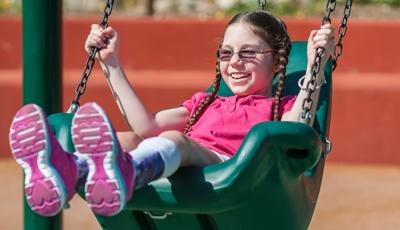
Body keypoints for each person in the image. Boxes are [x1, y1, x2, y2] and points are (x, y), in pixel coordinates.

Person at [8, 10, 334, 217]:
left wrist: (316, 70)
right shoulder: (205, 103)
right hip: (180, 157)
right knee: (127, 137)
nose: (234, 62)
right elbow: (147, 124)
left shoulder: (280, 107)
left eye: (248, 53)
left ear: (277, 63)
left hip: (238, 172)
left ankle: (127, 172)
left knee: (176, 140)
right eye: (226, 53)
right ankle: (67, 171)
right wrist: (112, 64)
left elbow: (296, 131)